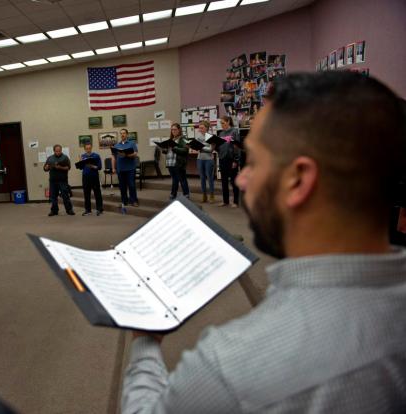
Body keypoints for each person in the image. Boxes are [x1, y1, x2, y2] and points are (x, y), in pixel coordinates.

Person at [121, 72, 406, 412]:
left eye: (253, 162)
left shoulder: (229, 364)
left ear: (298, 180)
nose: (241, 178)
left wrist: (144, 344)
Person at [216, 115, 241, 208]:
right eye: (220, 123)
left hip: (231, 159)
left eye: (223, 123)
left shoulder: (234, 131)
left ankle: (236, 201)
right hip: (222, 159)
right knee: (224, 181)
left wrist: (236, 160)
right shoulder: (221, 133)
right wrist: (215, 146)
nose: (221, 125)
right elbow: (219, 147)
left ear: (228, 122)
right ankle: (225, 201)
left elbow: (237, 147)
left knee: (234, 182)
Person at [44, 145, 75, 216]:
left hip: (63, 180)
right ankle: (54, 211)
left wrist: (60, 167)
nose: (58, 152)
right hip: (53, 181)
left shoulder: (65, 158)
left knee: (65, 196)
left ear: (61, 150)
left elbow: (68, 168)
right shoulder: (50, 158)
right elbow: (45, 169)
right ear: (54, 151)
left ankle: (69, 210)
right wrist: (46, 167)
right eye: (56, 151)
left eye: (59, 151)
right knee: (53, 196)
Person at [111, 129, 139, 207]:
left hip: (130, 168)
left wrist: (126, 155)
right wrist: (113, 168)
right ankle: (124, 201)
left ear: (127, 134)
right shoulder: (117, 145)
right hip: (120, 169)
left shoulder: (132, 143)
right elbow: (113, 157)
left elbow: (135, 153)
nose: (122, 135)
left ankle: (134, 201)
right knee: (122, 187)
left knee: (132, 185)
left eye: (124, 133)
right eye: (121, 133)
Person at [162, 123, 189, 200]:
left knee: (182, 179)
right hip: (170, 162)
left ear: (179, 130)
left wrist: (174, 148)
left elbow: (185, 150)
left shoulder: (183, 138)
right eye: (172, 129)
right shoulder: (171, 140)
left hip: (179, 162)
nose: (173, 131)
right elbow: (167, 151)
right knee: (174, 179)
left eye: (175, 129)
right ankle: (173, 193)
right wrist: (164, 149)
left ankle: (186, 194)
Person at [80, 142, 103, 216]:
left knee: (97, 193)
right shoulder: (82, 156)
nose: (88, 150)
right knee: (86, 194)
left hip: (94, 176)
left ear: (91, 148)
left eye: (89, 148)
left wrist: (92, 166)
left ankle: (99, 209)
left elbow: (99, 167)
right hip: (85, 177)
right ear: (84, 149)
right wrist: (80, 162)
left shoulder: (96, 156)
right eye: (86, 149)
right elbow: (81, 168)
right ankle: (88, 210)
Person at [194, 121, 215, 203]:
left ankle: (212, 195)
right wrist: (194, 146)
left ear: (206, 128)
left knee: (210, 178)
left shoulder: (211, 137)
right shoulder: (198, 136)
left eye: (202, 128)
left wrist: (201, 148)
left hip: (209, 160)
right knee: (202, 178)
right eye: (199, 128)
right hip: (199, 159)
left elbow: (211, 150)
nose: (200, 129)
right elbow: (196, 147)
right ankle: (204, 195)